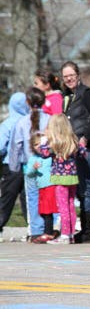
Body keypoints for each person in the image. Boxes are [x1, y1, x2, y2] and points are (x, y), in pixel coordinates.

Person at [61, 61, 90, 243]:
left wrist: (85, 138)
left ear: (78, 75)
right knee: (80, 191)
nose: (69, 79)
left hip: (89, 150)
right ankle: (84, 229)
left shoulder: (86, 94)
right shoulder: (68, 97)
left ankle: (89, 232)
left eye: (71, 75)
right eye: (65, 77)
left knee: (87, 189)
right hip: (74, 152)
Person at [8, 87, 50, 242]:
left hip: (30, 166)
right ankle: (51, 228)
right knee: (49, 197)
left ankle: (36, 231)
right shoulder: (50, 120)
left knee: (32, 198)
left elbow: (15, 147)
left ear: (28, 102)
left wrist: (14, 167)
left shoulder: (21, 123)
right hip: (48, 164)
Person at [38, 114, 86, 244]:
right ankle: (70, 234)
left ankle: (64, 235)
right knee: (70, 206)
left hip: (60, 179)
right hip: (72, 177)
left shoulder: (54, 142)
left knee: (63, 207)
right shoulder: (73, 140)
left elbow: (44, 154)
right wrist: (82, 145)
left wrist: (43, 141)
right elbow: (83, 153)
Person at [0, 92, 30, 241]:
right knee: (28, 199)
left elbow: (1, 146)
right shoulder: (30, 121)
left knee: (6, 199)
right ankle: (33, 228)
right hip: (29, 166)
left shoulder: (8, 123)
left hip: (10, 167)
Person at [26, 132, 57, 243]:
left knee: (48, 211)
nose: (39, 147)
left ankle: (49, 232)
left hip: (51, 186)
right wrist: (33, 168)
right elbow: (28, 173)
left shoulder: (50, 157)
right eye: (35, 144)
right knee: (43, 211)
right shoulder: (33, 159)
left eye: (41, 144)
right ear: (32, 147)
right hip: (41, 188)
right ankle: (47, 231)